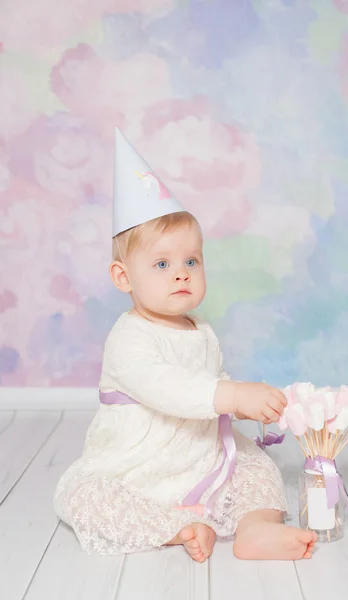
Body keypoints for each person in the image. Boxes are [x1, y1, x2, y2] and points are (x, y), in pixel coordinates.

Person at [53, 129, 317, 561]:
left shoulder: (200, 329)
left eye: (191, 260)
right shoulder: (129, 338)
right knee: (82, 496)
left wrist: (246, 402)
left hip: (199, 452)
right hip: (137, 464)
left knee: (257, 470)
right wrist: (231, 395)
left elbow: (213, 380)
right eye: (162, 263)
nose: (181, 273)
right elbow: (166, 386)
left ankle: (257, 529)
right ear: (124, 278)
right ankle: (177, 527)